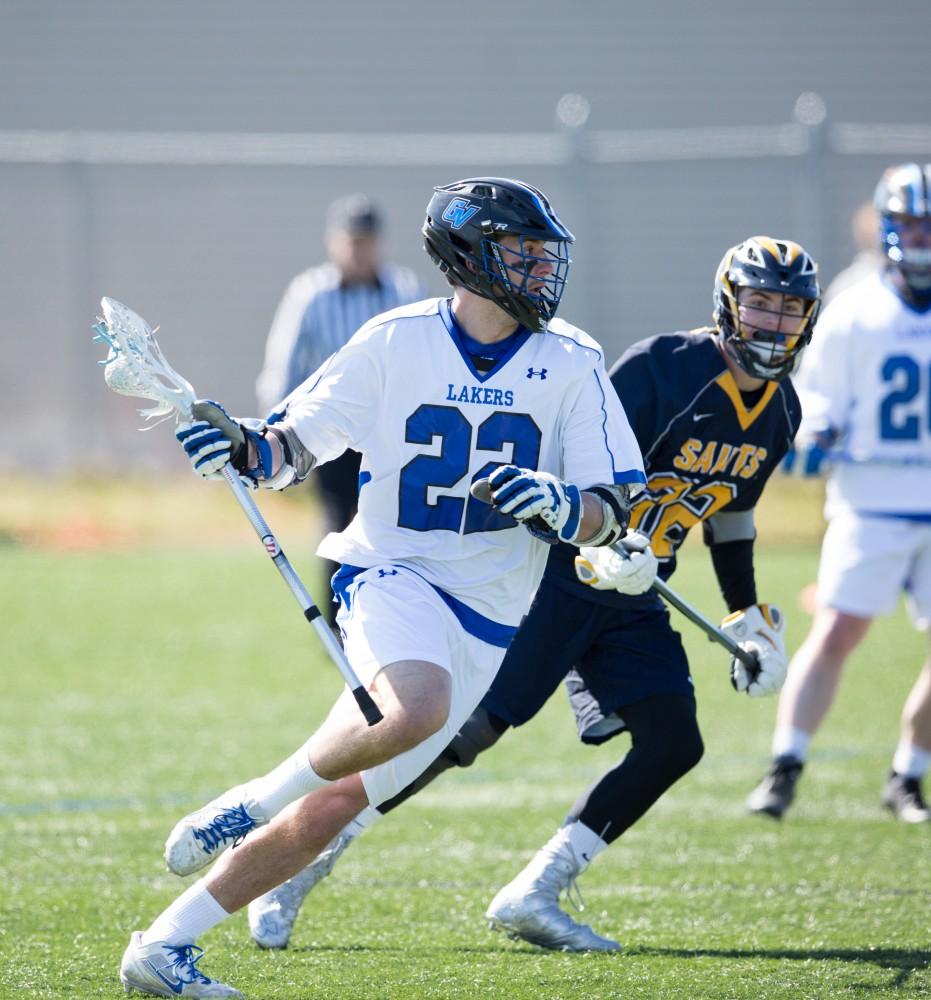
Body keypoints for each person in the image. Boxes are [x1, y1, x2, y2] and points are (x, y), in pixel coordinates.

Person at [118, 176, 646, 998]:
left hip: (492, 617)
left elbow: (614, 507)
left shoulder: (571, 361)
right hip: (391, 574)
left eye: (545, 257)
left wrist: (559, 503)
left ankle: (161, 947)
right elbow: (290, 448)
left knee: (329, 812)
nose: (541, 272)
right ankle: (252, 799)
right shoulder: (395, 341)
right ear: (468, 258)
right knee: (416, 710)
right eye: (520, 254)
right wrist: (237, 444)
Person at [246, 237, 822, 954]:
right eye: (760, 303)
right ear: (728, 304)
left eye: (788, 308)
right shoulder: (666, 370)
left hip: (633, 592)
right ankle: (295, 865)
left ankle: (536, 889)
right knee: (456, 737)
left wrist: (744, 612)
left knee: (674, 740)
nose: (772, 322)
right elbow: (576, 463)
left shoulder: (781, 409)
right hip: (550, 578)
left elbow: (731, 511)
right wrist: (601, 537)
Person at [748, 163, 931, 824]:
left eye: (927, 223)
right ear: (885, 226)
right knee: (837, 631)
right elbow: (814, 393)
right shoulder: (853, 303)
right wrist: (818, 427)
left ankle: (907, 775)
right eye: (908, 222)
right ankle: (785, 765)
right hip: (872, 500)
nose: (918, 236)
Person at [256, 193, 426, 624]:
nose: (358, 250)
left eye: (366, 241)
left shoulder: (403, 289)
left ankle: (385, 613)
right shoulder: (311, 293)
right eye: (351, 241)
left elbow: (420, 358)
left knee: (388, 521)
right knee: (337, 518)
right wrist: (279, 437)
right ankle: (335, 618)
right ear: (334, 242)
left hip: (387, 429)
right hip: (329, 427)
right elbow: (286, 366)